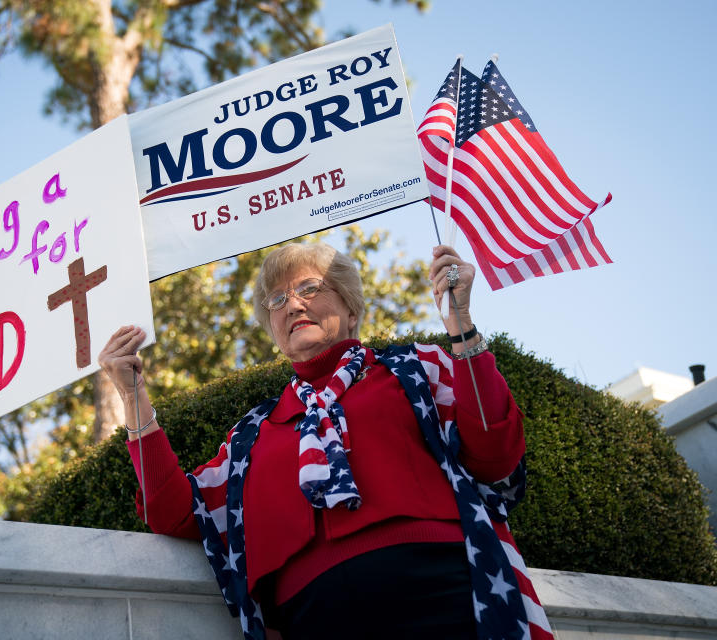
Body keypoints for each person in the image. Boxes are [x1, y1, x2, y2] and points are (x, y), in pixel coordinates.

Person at [98, 242, 545, 640]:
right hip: (311, 619)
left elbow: (494, 452)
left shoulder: (415, 368)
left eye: (310, 288)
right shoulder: (249, 437)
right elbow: (173, 512)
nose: (293, 304)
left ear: (350, 308)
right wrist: (132, 395)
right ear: (274, 331)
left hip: (444, 595)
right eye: (278, 299)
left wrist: (461, 324)